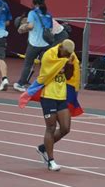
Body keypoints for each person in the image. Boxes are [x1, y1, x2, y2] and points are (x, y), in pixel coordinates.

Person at [18, 40, 82, 171]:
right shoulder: (49, 54)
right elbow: (46, 74)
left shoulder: (70, 56)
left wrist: (69, 65)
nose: (68, 55)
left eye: (70, 54)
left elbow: (70, 76)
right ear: (61, 48)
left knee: (65, 128)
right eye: (66, 53)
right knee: (51, 127)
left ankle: (43, 148)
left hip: (61, 95)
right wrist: (63, 63)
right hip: (48, 95)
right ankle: (51, 160)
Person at [14, 0, 54, 92]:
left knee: (28, 64)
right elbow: (50, 29)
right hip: (46, 44)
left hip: (34, 44)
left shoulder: (32, 13)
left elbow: (30, 26)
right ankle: (44, 85)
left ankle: (21, 84)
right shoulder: (48, 14)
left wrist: (22, 28)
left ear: (34, 1)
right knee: (45, 65)